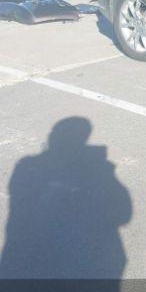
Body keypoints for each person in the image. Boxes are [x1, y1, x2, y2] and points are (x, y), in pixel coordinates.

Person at [0, 117, 132, 285]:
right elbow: (123, 213)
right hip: (86, 258)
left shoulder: (26, 165)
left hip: (26, 257)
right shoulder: (98, 166)